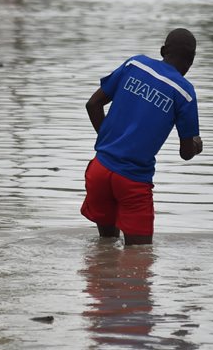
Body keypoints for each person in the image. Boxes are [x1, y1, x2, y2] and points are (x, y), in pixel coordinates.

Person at [82, 28, 203, 246]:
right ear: (191, 61)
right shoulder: (184, 92)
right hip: (132, 181)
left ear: (163, 50)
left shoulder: (134, 65)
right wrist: (196, 145)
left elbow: (93, 104)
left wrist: (112, 141)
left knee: (105, 250)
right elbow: (186, 153)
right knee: (137, 265)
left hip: (100, 170)